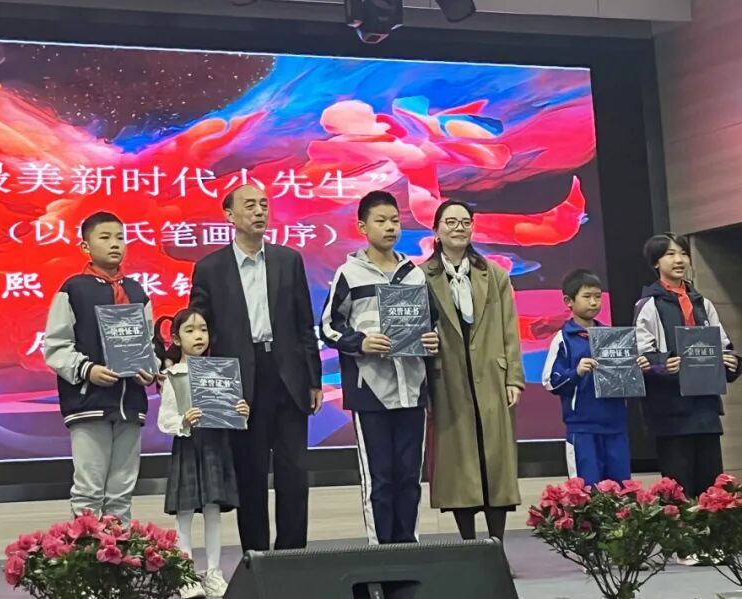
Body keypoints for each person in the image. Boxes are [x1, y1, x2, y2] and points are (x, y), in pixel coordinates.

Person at [189, 184, 323, 552]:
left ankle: (292, 556)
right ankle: (257, 557)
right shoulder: (210, 268)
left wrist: (313, 378)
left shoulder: (287, 260)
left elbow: (303, 323)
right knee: (250, 475)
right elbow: (199, 331)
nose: (259, 211)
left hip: (288, 375)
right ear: (229, 215)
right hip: (240, 382)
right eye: (249, 205)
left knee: (294, 475)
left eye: (264, 205)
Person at [320, 190, 440, 544]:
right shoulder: (349, 273)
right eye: (381, 221)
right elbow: (328, 327)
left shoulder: (414, 274)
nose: (390, 227)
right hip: (370, 391)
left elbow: (432, 324)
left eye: (395, 221)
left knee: (409, 476)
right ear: (362, 227)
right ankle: (381, 551)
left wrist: (432, 340)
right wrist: (361, 342)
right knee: (380, 478)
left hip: (412, 389)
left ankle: (408, 547)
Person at [44, 211, 157, 522]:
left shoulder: (136, 291)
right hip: (88, 403)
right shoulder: (74, 289)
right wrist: (87, 370)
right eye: (105, 237)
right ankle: (88, 551)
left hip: (130, 404)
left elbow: (149, 344)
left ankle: (120, 550)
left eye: (120, 237)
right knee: (89, 491)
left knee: (121, 492)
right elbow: (56, 345)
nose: (115, 244)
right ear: (85, 246)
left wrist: (149, 369)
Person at [421, 200, 523, 545]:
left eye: (465, 222)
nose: (459, 228)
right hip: (446, 379)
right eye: (450, 222)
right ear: (436, 230)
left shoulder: (493, 274)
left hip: (491, 376)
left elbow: (509, 329)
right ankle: (469, 545)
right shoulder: (420, 276)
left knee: (495, 462)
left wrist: (513, 377)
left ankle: (496, 544)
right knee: (458, 464)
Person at [635, 233, 739, 501]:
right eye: (670, 254)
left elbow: (723, 344)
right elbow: (642, 354)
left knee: (712, 492)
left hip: (705, 411)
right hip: (671, 413)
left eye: (682, 253)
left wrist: (731, 362)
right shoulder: (649, 305)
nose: (679, 259)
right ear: (656, 263)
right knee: (678, 492)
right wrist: (662, 364)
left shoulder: (703, 303)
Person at [156, 308, 249, 598]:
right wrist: (183, 421)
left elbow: (231, 414)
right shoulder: (172, 375)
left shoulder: (221, 373)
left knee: (213, 510)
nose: (198, 336)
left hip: (214, 446)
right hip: (188, 445)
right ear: (176, 338)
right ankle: (185, 575)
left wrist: (241, 412)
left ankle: (214, 573)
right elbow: (165, 419)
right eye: (190, 330)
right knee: (184, 512)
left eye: (203, 330)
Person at [542, 269, 650, 484]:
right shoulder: (563, 339)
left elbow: (626, 379)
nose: (593, 302)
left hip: (616, 425)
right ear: (569, 301)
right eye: (587, 296)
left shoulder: (613, 337)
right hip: (583, 428)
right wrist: (576, 372)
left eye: (598, 297)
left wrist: (638, 367)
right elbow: (550, 381)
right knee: (585, 490)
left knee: (621, 490)